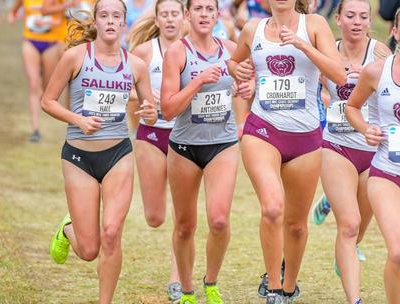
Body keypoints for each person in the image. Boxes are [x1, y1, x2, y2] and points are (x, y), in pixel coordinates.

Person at [228, 0, 346, 302]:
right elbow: (233, 62)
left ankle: (290, 285)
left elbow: (339, 75)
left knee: (295, 225)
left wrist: (303, 46)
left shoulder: (315, 26)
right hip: (263, 130)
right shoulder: (253, 29)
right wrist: (238, 70)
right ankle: (274, 288)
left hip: (305, 137)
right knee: (272, 207)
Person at [42, 0, 157, 302]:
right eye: (103, 15)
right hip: (79, 158)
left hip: (118, 154)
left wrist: (149, 112)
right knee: (90, 250)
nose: (109, 21)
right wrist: (77, 118)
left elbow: (151, 113)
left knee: (111, 233)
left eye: (116, 16)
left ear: (124, 24)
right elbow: (48, 101)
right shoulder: (75, 57)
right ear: (94, 22)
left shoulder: (136, 66)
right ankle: (68, 230)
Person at [160, 0, 251, 301]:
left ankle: (211, 283)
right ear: (188, 15)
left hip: (222, 145)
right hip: (185, 147)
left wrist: (248, 88)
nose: (203, 14)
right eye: (197, 8)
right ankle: (186, 291)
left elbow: (248, 83)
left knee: (220, 220)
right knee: (185, 226)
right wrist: (198, 81)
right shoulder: (177, 52)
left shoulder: (230, 48)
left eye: (209, 9)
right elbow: (169, 109)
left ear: (217, 14)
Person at [345, 2, 400, 303]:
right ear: (395, 32)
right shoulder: (376, 72)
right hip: (387, 175)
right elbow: (351, 107)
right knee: (398, 252)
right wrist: (366, 128)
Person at [318, 0, 392, 302]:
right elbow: (317, 86)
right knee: (348, 225)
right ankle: (354, 300)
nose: (357, 21)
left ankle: (343, 253)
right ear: (338, 18)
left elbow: (396, 91)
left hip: (373, 149)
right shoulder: (328, 51)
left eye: (363, 16)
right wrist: (325, 96)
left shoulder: (379, 53)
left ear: (370, 20)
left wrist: (371, 77)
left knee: (358, 227)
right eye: (350, 15)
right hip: (338, 145)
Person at [127, 0, 185, 302]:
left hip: (186, 138)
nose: (171, 20)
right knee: (155, 217)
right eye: (165, 15)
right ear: (158, 19)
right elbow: (130, 96)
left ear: (183, 18)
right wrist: (145, 106)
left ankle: (177, 279)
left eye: (176, 14)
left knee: (181, 214)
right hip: (151, 135)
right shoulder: (144, 53)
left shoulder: (192, 49)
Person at [7, 0, 67, 142]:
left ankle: (41, 94)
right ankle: (35, 130)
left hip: (51, 43)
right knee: (33, 84)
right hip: (30, 42)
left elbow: (63, 18)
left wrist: (49, 23)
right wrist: (12, 16)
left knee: (47, 89)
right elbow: (13, 10)